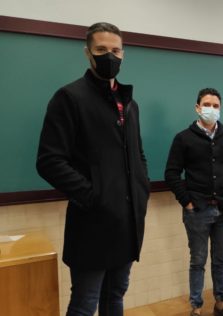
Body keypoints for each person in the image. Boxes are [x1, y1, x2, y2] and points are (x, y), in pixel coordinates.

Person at [36, 22, 150, 316]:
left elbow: (137, 154)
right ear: (88, 53)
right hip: (92, 225)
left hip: (127, 223)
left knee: (115, 296)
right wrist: (94, 196)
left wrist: (141, 188)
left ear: (124, 54)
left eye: (115, 50)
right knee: (86, 303)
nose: (108, 56)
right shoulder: (70, 98)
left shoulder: (130, 103)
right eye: (101, 49)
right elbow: (49, 161)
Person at [165, 88, 223, 316]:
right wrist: (187, 202)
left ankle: (220, 304)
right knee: (198, 261)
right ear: (197, 107)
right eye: (207, 104)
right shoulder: (183, 138)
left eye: (216, 105)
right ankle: (197, 307)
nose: (211, 109)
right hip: (198, 211)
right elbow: (171, 173)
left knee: (220, 260)